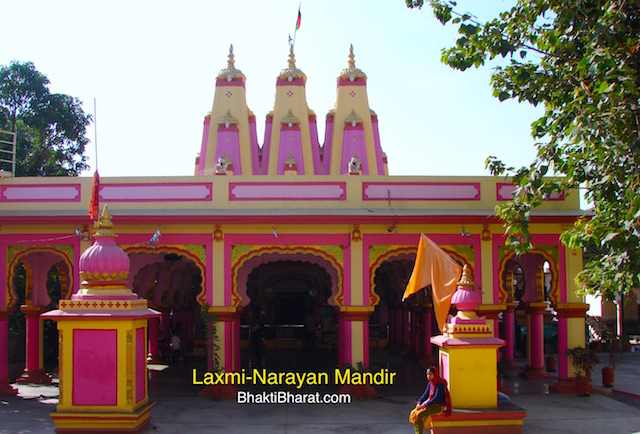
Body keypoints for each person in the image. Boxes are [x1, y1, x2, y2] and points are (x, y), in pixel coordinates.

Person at [409, 366, 451, 434]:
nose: (428, 376)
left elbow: (436, 398)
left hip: (438, 406)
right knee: (414, 413)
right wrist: (419, 402)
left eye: (430, 374)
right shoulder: (430, 383)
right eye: (427, 374)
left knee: (419, 415)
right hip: (430, 404)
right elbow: (425, 394)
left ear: (435, 374)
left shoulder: (440, 384)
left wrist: (424, 405)